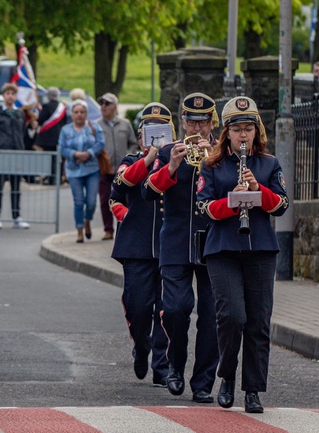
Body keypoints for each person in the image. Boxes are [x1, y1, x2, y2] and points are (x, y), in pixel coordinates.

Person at [197, 96, 289, 413]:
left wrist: (258, 191)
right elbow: (204, 207)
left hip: (261, 249)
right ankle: (226, 376)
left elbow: (282, 204)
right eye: (237, 129)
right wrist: (234, 200)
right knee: (233, 316)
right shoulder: (212, 165)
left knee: (258, 322)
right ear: (227, 132)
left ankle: (252, 390)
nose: (243, 135)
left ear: (256, 131)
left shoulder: (268, 164)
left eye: (248, 128)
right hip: (222, 249)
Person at [143, 92, 219, 403]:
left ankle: (203, 382)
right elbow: (149, 192)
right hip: (175, 241)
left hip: (214, 242)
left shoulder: (222, 153)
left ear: (212, 123)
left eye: (202, 122)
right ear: (182, 121)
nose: (196, 129)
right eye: (190, 121)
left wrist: (213, 157)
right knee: (175, 309)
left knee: (213, 315)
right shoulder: (165, 151)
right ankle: (174, 366)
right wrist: (172, 166)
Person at [108, 102, 171, 387]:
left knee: (166, 309)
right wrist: (149, 159)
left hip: (169, 245)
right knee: (137, 307)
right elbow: (118, 189)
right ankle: (142, 348)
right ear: (141, 134)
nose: (155, 136)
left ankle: (162, 364)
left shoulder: (178, 160)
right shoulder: (131, 160)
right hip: (136, 246)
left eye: (162, 130)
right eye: (150, 130)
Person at [0, 82, 35, 229]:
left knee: (16, 187)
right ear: (4, 95)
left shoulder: (19, 114)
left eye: (13, 94)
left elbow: (23, 134)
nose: (10, 96)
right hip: (1, 154)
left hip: (16, 153)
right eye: (8, 93)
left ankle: (16, 216)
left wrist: (32, 131)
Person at [58, 99, 104, 242]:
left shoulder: (94, 127)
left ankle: (87, 220)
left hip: (92, 169)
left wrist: (88, 153)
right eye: (76, 112)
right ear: (72, 114)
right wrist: (75, 154)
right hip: (73, 170)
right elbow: (62, 148)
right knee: (78, 202)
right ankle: (79, 230)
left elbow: (100, 143)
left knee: (91, 202)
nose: (79, 115)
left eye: (82, 112)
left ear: (86, 113)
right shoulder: (66, 130)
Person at [96, 92, 138, 241]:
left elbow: (133, 142)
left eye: (107, 103)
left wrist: (129, 156)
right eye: (101, 103)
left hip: (123, 171)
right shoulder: (97, 125)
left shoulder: (125, 123)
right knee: (104, 200)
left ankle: (124, 227)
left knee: (124, 200)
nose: (103, 106)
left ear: (115, 106)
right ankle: (108, 230)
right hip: (104, 170)